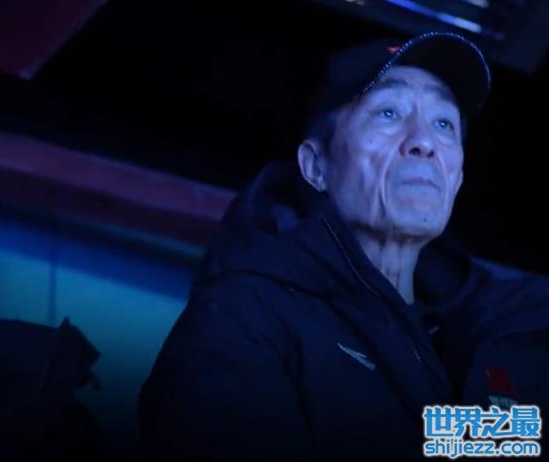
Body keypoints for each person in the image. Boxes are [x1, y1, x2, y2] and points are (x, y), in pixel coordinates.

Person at [138, 32, 549, 461]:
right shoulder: (244, 318)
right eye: (388, 112)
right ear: (316, 166)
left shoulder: (503, 333)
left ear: (457, 177)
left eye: (444, 123)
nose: (424, 141)